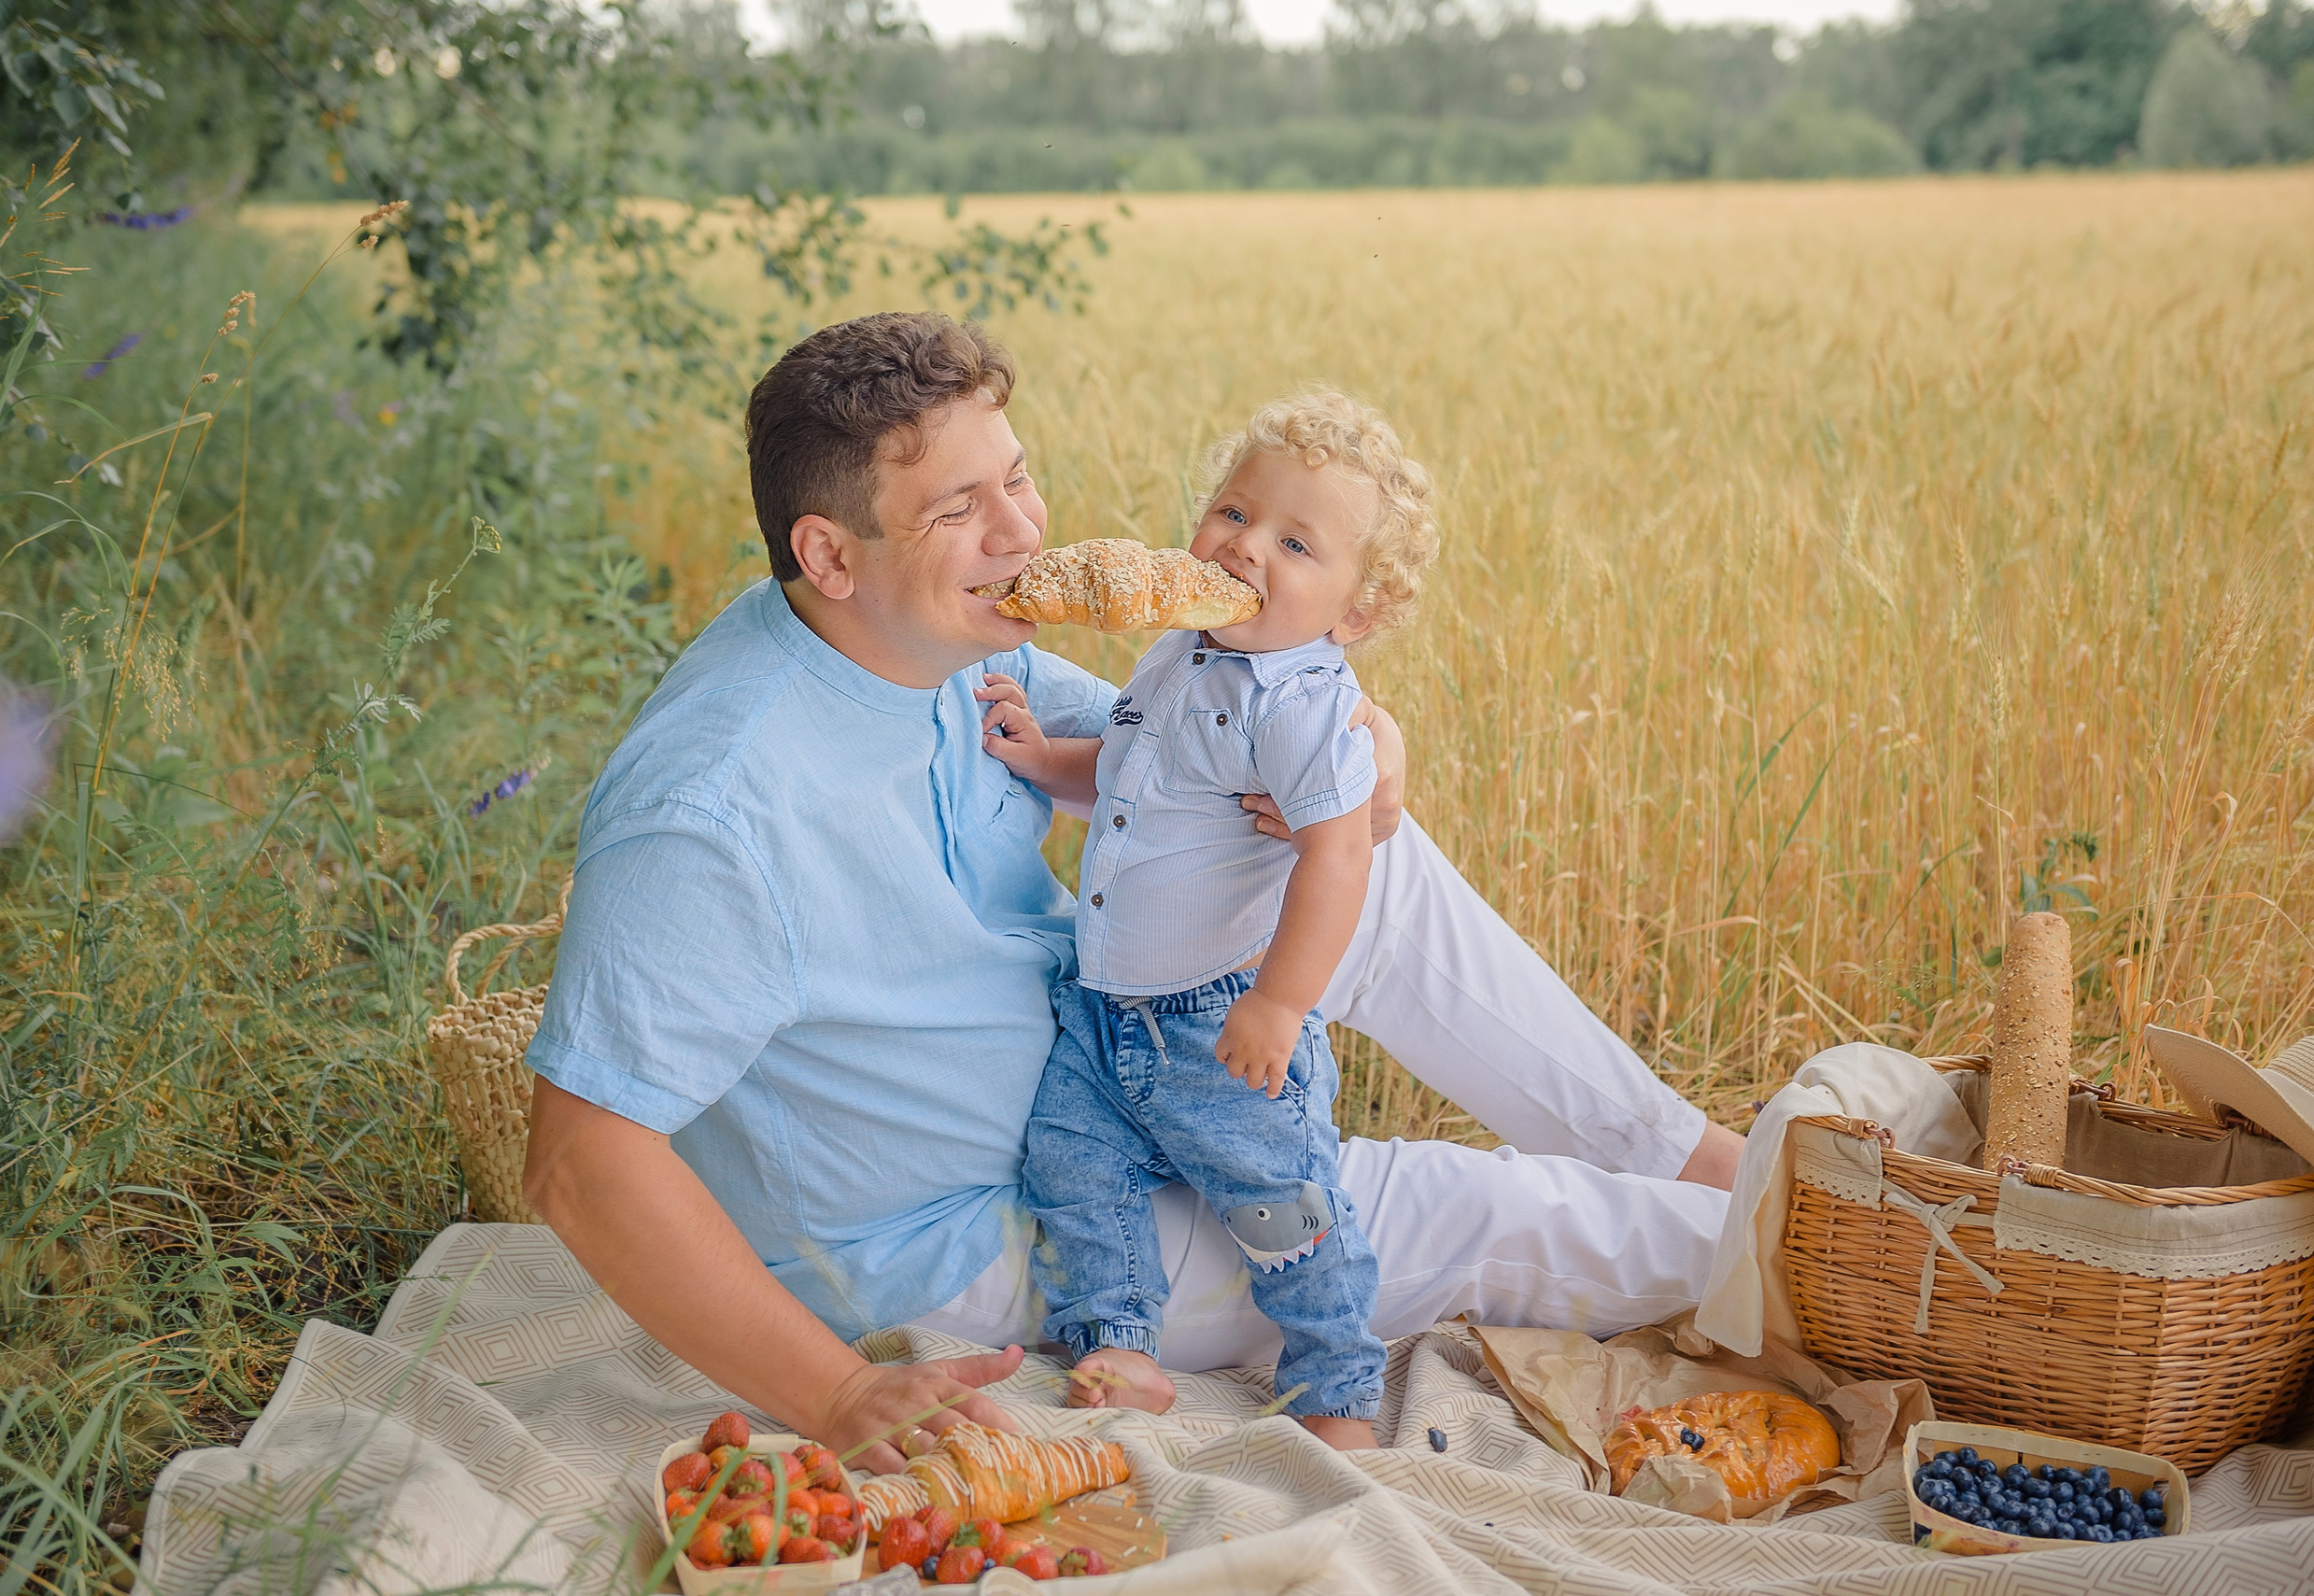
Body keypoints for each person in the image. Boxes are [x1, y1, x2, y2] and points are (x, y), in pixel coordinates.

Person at [520, 311, 1741, 1478]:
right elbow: (579, 1163)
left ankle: (1700, 1158)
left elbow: (1184, 755)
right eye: (961, 507)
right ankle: (1818, 1248)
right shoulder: (713, 814)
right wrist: (837, 1394)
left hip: (1117, 1050)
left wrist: (1362, 743)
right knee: (1460, 1213)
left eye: (1019, 477)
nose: (1021, 531)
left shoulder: (936, 630)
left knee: (1355, 854)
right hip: (999, 1217)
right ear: (829, 553)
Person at [985, 392, 1435, 1449]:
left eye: (1293, 541)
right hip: (1103, 1012)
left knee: (1281, 1207)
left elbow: (1334, 850)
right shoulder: (1177, 655)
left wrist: (1281, 1002)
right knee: (1070, 1168)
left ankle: (1335, 1386)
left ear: (1354, 610)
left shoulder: (1303, 704)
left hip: (1217, 1015)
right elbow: (1128, 766)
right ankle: (1119, 1341)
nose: (1242, 548)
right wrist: (1042, 759)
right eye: (1233, 513)